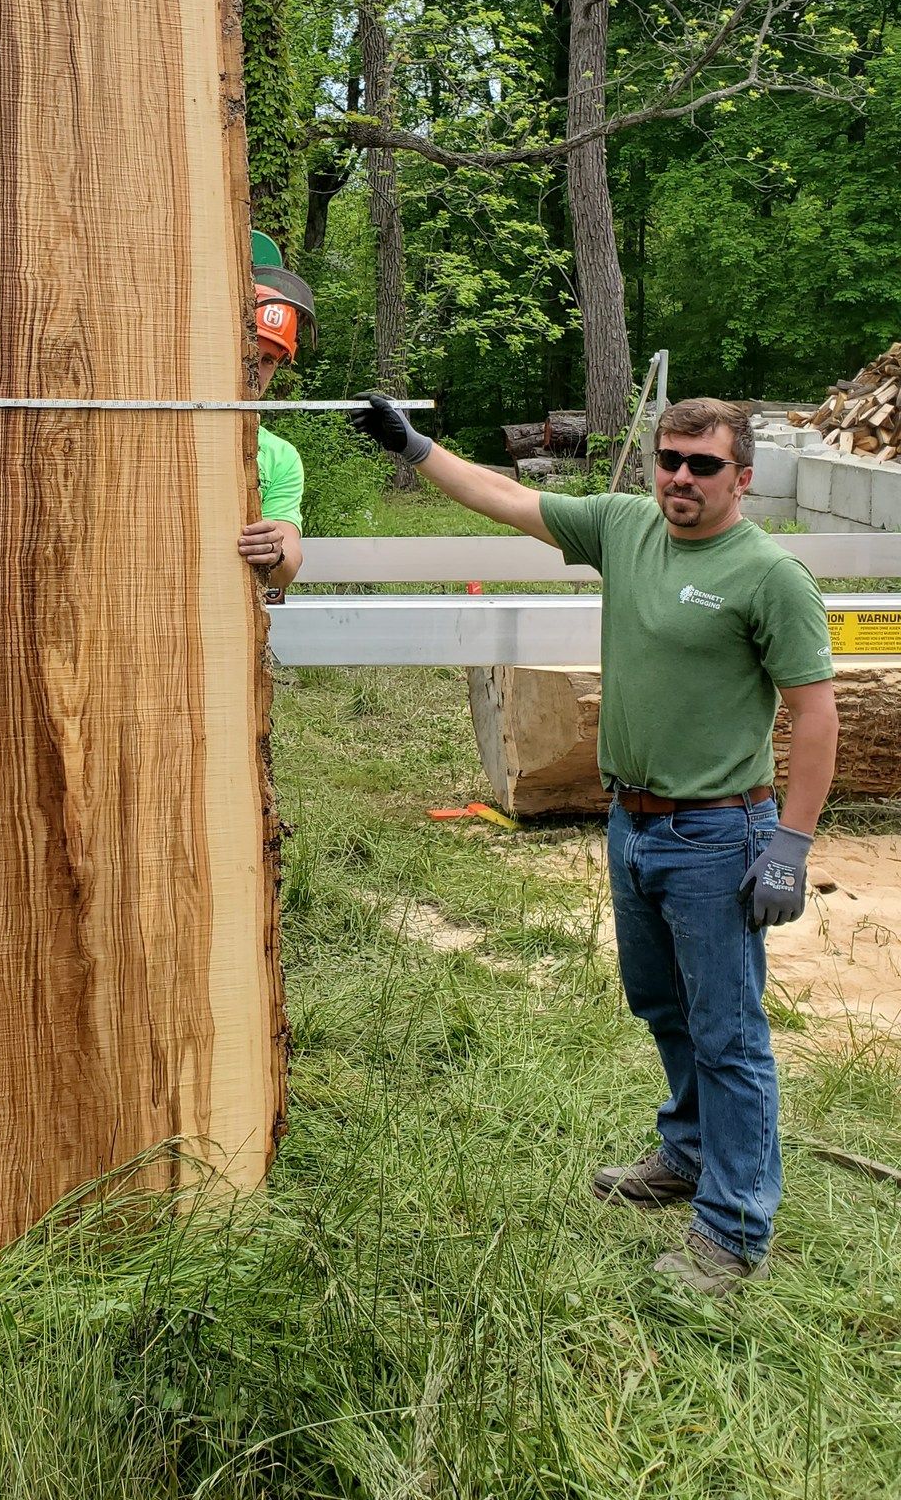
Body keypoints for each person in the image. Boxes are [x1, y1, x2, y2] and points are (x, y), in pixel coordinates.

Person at [351, 391, 838, 1295]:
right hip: (633, 822)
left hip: (720, 833)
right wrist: (415, 446)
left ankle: (733, 1229)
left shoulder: (770, 575)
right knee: (663, 1007)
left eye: (702, 465)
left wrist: (792, 846)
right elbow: (504, 498)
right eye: (669, 459)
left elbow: (815, 715)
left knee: (729, 1034)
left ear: (744, 477)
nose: (680, 479)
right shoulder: (625, 526)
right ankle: (687, 1155)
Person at [236, 249, 312, 594]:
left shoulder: (279, 456)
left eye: (268, 359)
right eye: (248, 350)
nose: (255, 369)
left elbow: (288, 564)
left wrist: (275, 553)